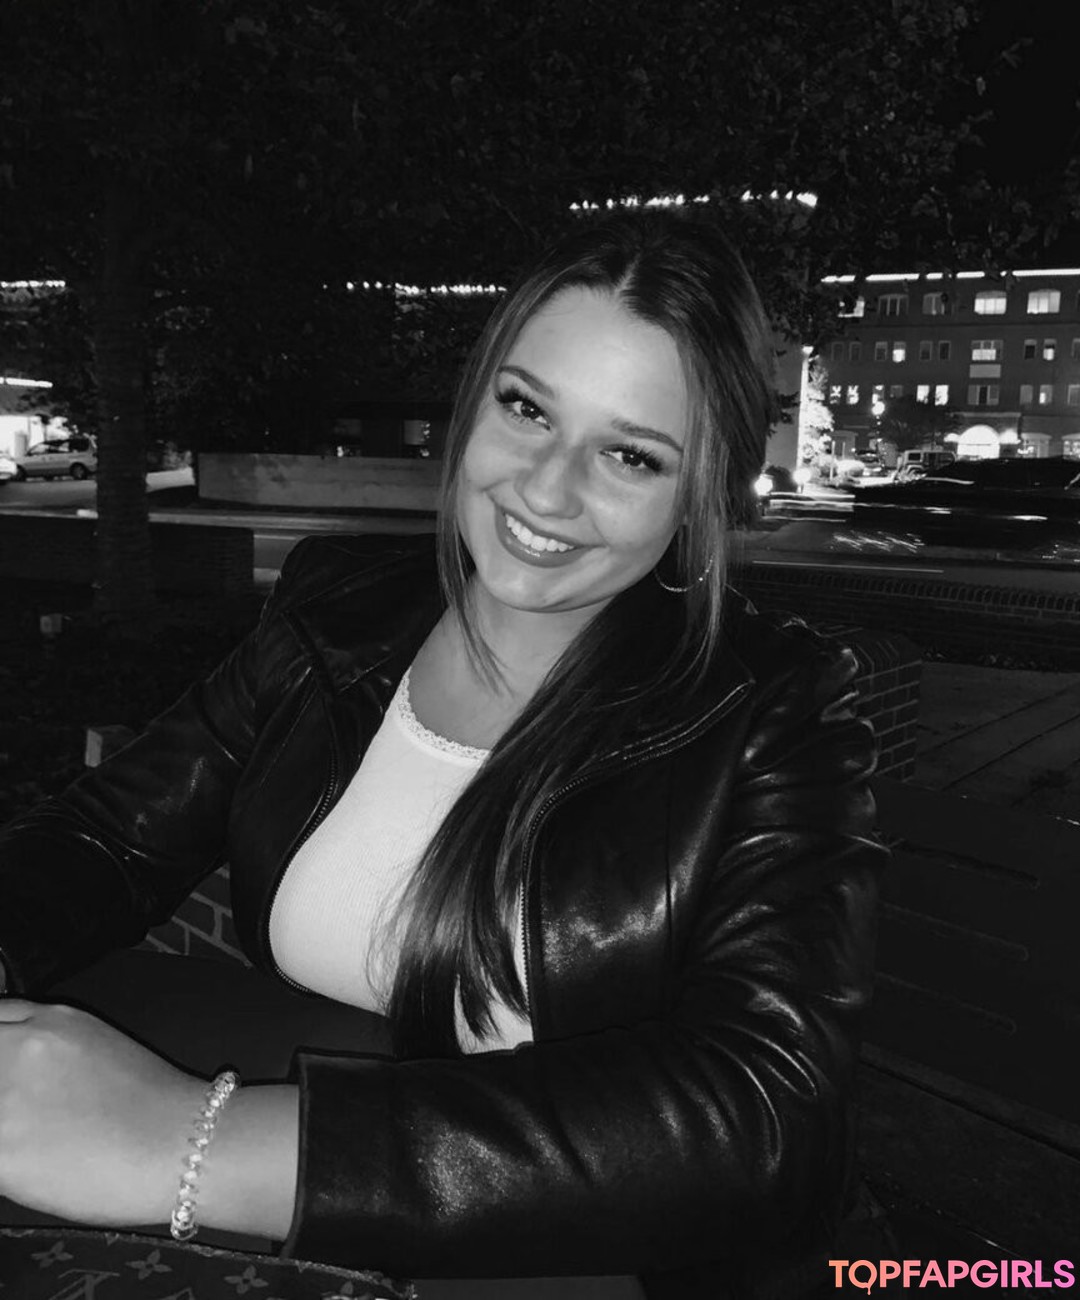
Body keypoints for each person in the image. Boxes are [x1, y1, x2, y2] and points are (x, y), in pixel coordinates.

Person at [0, 210, 885, 1298]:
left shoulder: (778, 708)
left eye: (630, 455)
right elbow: (107, 836)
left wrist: (192, 1142)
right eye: (526, 408)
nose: (545, 490)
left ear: (703, 494)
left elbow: (765, 1111)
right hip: (328, 1237)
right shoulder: (339, 614)